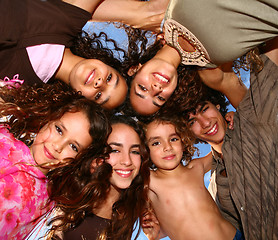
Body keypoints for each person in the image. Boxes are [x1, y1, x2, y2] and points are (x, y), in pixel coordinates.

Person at [177, 49, 278, 239]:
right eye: (192, 122)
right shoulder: (214, 184)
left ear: (217, 105)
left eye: (204, 109)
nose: (205, 123)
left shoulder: (252, 123)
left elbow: (267, 68)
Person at [0, 82, 110, 239]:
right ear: (49, 118)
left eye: (73, 146)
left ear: (78, 159)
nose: (58, 146)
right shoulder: (3, 137)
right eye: (59, 130)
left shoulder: (50, 202)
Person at [0, 0, 137, 109]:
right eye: (109, 78)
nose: (100, 83)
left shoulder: (21, 91)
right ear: (105, 62)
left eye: (99, 95)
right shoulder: (70, 19)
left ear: (83, 101)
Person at [46, 115, 149, 240]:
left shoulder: (139, 214)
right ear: (98, 155)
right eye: (115, 150)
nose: (127, 161)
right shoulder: (66, 192)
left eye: (135, 152)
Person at [143, 116, 244, 240]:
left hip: (234, 236)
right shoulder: (150, 181)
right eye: (156, 143)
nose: (168, 147)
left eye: (173, 139)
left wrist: (232, 122)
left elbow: (223, 147)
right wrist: (155, 233)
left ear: (183, 141)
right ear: (145, 150)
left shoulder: (196, 167)